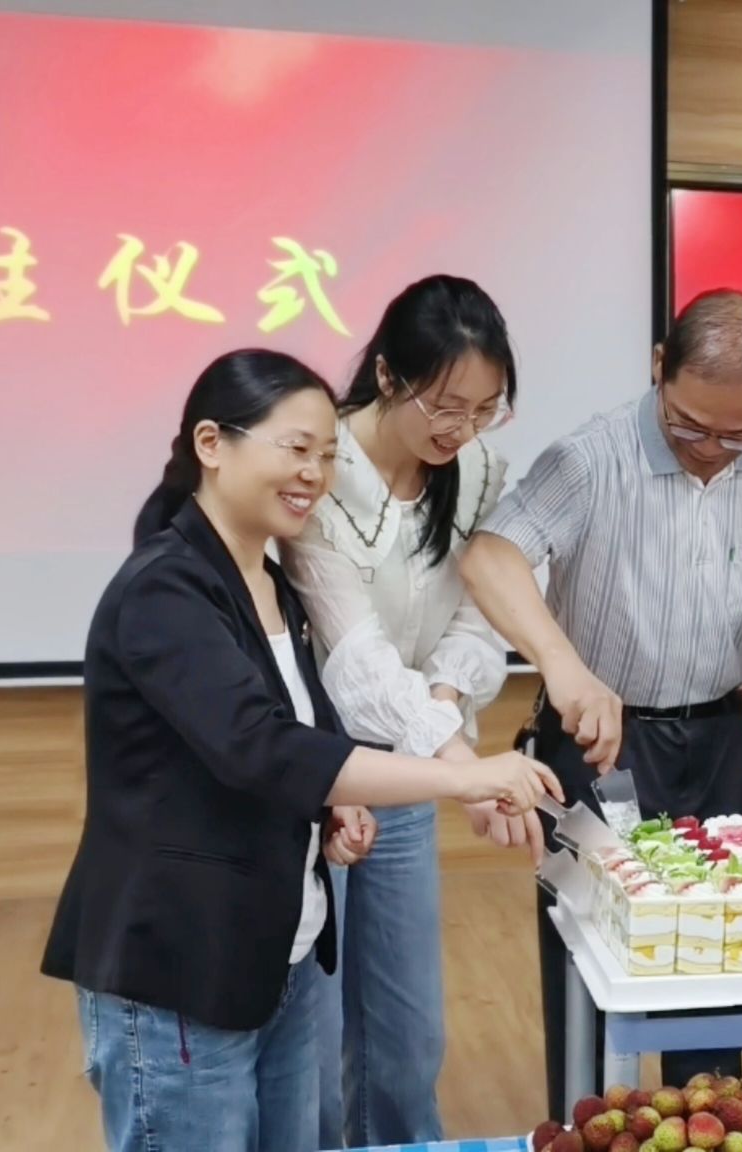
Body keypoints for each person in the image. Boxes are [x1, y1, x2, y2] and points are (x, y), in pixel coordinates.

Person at [41, 349, 561, 1152]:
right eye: (295, 449)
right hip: (182, 970)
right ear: (211, 444)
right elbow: (260, 748)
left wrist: (331, 805)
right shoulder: (164, 589)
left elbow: (290, 736)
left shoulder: (271, 584)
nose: (314, 475)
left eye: (326, 454)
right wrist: (462, 775)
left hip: (275, 956)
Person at [460, 289, 742, 1117]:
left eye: (739, 434)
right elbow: (489, 558)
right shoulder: (591, 458)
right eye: (689, 427)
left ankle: (711, 1125)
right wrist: (564, 668)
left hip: (723, 740)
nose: (712, 452)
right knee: (589, 961)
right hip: (598, 749)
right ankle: (590, 1124)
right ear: (659, 368)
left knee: (718, 962)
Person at [280, 276, 534, 1149]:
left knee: (408, 1031)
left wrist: (446, 703)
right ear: (387, 376)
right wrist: (462, 766)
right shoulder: (320, 474)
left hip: (419, 758)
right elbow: (354, 663)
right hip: (319, 776)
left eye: (484, 409)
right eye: (445, 404)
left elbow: (479, 612)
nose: (461, 430)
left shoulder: (479, 471)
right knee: (313, 1034)